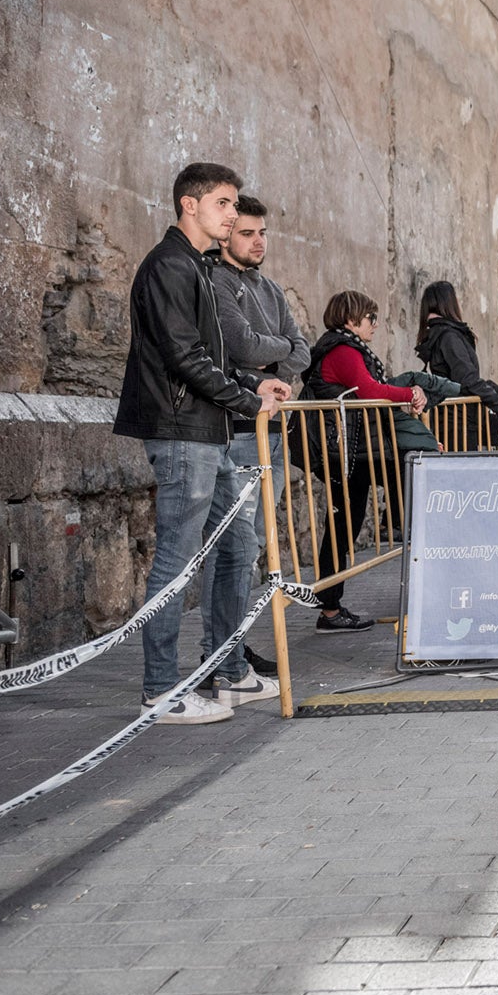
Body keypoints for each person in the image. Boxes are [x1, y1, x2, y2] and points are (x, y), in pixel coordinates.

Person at [114, 162, 291, 724]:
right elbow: (182, 358)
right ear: (189, 205)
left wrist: (251, 383)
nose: (233, 214)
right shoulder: (169, 265)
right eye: (223, 203)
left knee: (239, 546)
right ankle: (161, 691)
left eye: (234, 204)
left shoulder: (198, 267)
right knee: (176, 559)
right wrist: (248, 401)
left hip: (208, 429)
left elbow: (210, 359)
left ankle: (229, 671)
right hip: (181, 431)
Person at [202, 194, 307, 693]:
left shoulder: (268, 288)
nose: (258, 241)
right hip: (237, 433)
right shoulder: (216, 282)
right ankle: (218, 652)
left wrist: (273, 363)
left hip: (273, 435)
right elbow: (238, 346)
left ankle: (232, 644)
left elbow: (301, 350)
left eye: (263, 232)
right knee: (233, 548)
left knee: (257, 545)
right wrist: (264, 363)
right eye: (247, 233)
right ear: (226, 235)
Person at [303, 291, 424, 630]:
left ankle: (331, 606)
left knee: (348, 525)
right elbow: (369, 389)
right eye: (371, 318)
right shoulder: (342, 350)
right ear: (351, 319)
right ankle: (329, 608)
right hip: (347, 454)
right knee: (342, 529)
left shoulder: (347, 347)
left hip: (359, 451)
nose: (375, 325)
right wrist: (409, 395)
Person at [415, 281, 498, 450]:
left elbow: (463, 377)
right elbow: (467, 379)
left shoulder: (443, 333)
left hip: (467, 417)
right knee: (468, 473)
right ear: (449, 303)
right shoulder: (448, 336)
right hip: (458, 422)